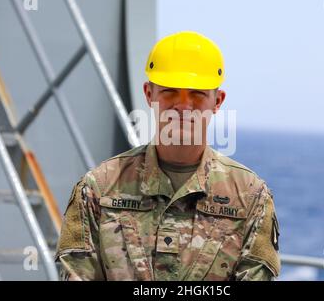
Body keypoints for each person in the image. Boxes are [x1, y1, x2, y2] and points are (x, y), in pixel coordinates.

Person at [55, 31, 280, 281]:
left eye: (197, 93)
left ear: (218, 101)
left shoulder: (249, 196)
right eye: (170, 91)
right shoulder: (98, 189)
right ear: (149, 94)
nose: (183, 105)